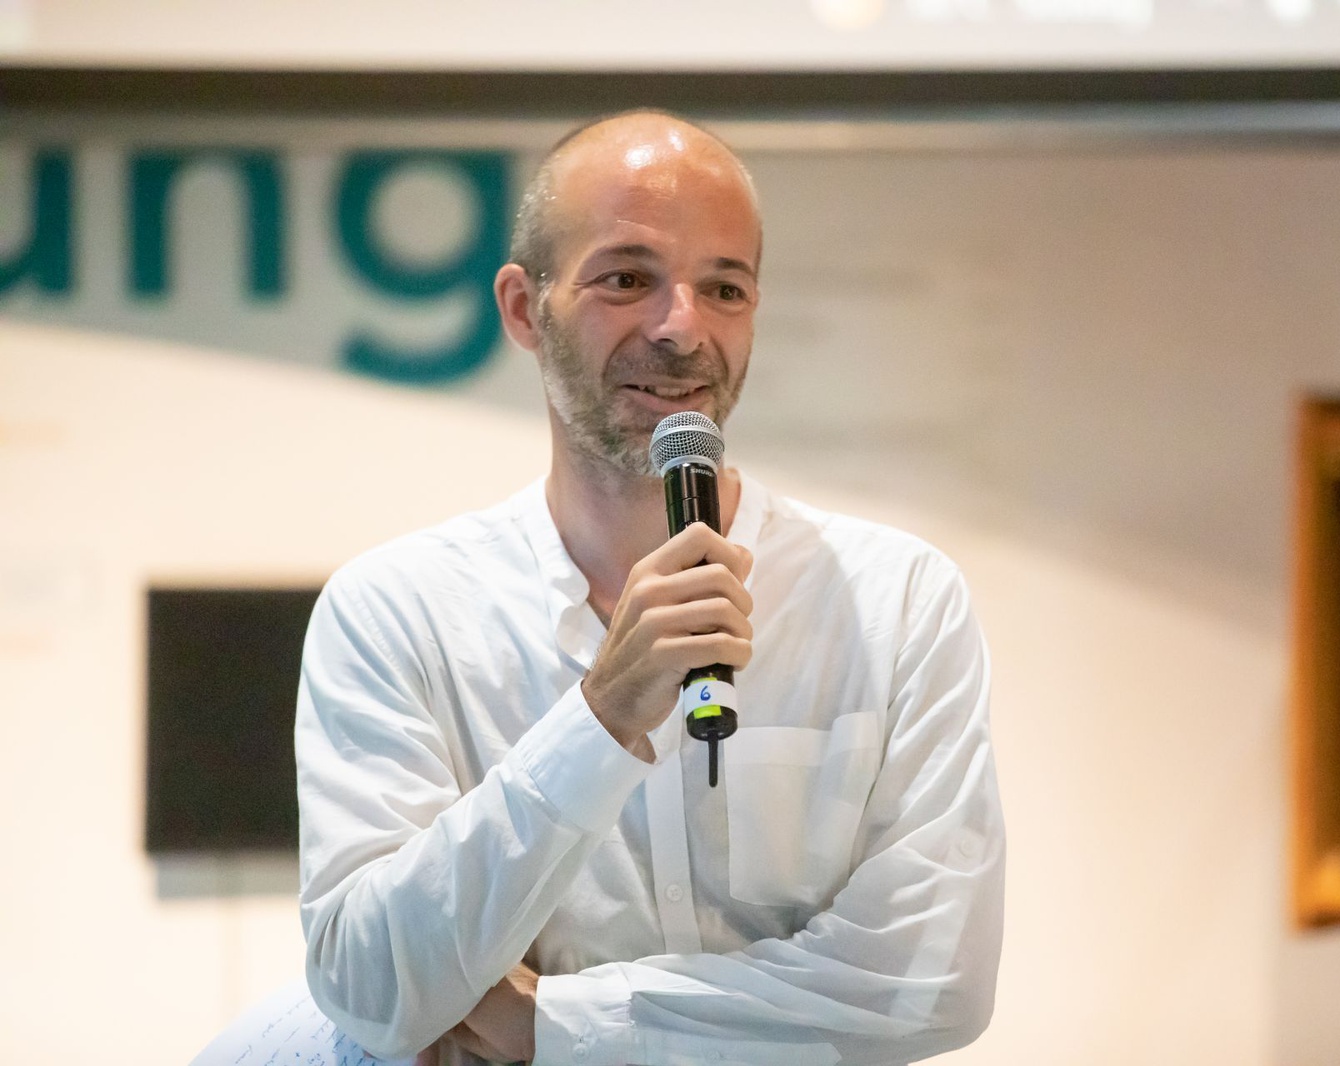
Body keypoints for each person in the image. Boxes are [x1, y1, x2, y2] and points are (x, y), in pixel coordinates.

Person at [295, 109, 1004, 1066]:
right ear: (523, 309)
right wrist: (602, 716)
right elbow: (370, 986)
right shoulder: (397, 611)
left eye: (725, 288)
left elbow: (932, 982)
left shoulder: (898, 602)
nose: (682, 329)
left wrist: (550, 1023)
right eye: (627, 279)